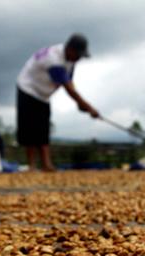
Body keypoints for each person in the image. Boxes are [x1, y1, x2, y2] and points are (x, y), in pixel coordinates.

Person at [16, 33, 99, 171]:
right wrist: (89, 107)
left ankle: (46, 164)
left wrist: (80, 104)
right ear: (70, 49)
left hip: (43, 94)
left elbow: (70, 82)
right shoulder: (53, 59)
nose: (79, 59)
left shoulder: (70, 60)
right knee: (29, 127)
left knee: (43, 127)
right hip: (28, 88)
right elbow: (68, 88)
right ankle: (31, 165)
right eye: (78, 55)